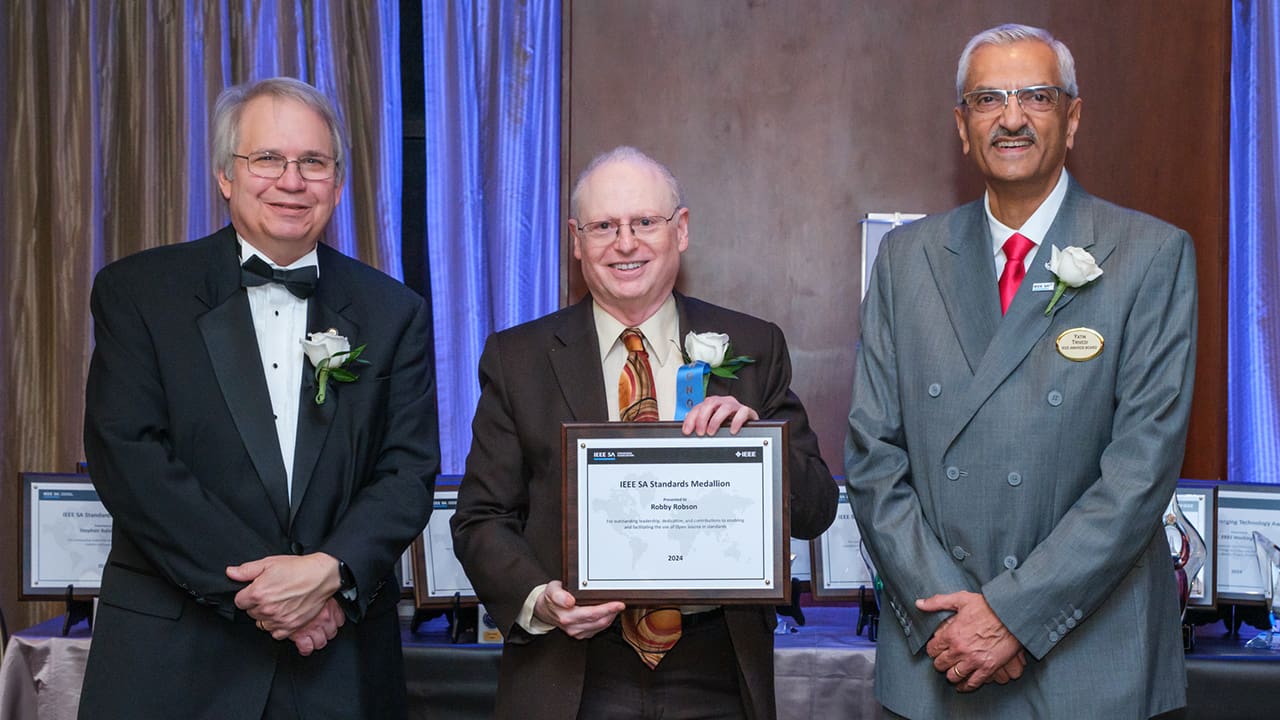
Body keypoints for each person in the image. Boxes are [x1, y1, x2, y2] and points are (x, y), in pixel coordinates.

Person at [844, 23, 1196, 719]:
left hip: (1092, 655)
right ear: (962, 125)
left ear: (1072, 119)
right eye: (987, 100)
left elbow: (1140, 472)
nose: (1011, 118)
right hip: (939, 650)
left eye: (1036, 96)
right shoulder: (906, 261)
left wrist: (1011, 614)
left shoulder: (1150, 254)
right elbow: (872, 456)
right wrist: (954, 617)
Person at [79, 77, 439, 719]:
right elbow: (131, 460)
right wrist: (273, 593)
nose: (291, 180)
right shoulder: (138, 293)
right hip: (175, 659)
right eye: (267, 158)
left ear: (338, 181)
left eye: (313, 162)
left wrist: (330, 572)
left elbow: (407, 471)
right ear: (225, 176)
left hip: (339, 664)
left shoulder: (393, 312)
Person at [451, 146, 838, 719]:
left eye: (644, 223)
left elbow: (817, 510)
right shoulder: (518, 357)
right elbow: (481, 517)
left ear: (680, 231)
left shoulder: (754, 346)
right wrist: (541, 600)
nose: (625, 243)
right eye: (604, 226)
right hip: (572, 667)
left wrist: (762, 447)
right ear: (576, 241)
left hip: (717, 668)